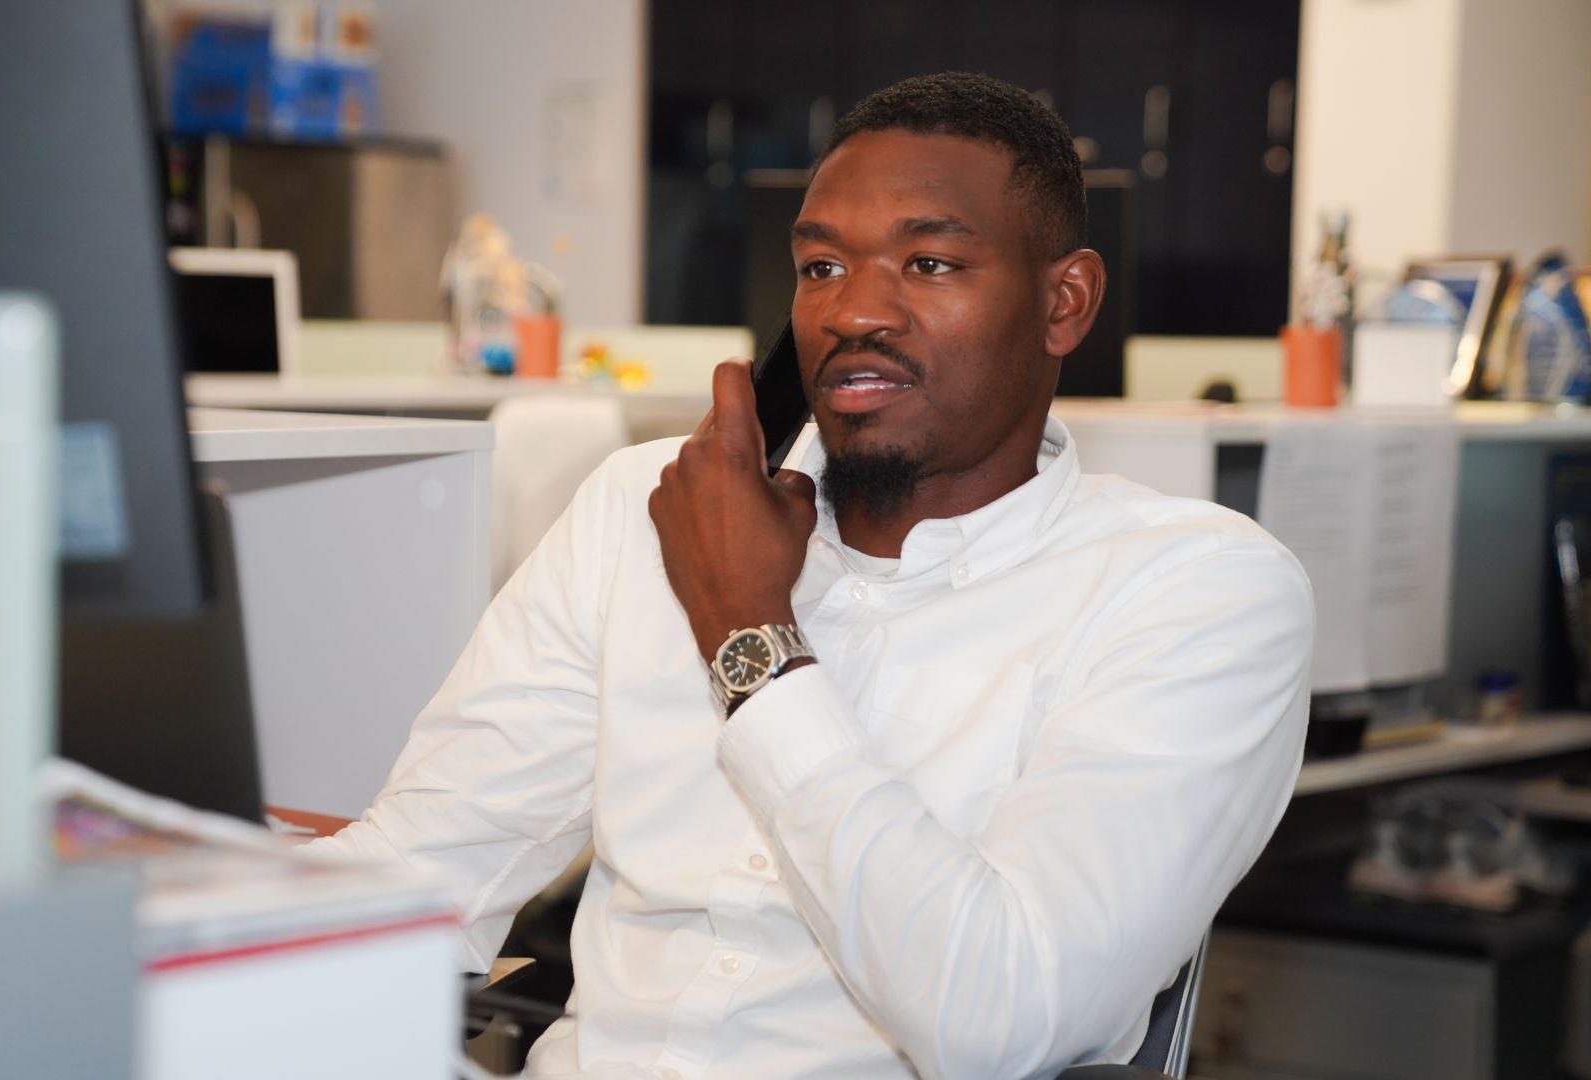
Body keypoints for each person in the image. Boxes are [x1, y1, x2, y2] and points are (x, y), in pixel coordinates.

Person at [304, 71, 1314, 1079]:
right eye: (822, 267)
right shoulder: (643, 506)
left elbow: (999, 1020)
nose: (855, 313)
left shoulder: (1195, 591)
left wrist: (749, 634)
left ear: (1065, 302)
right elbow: (428, 865)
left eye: (929, 262)